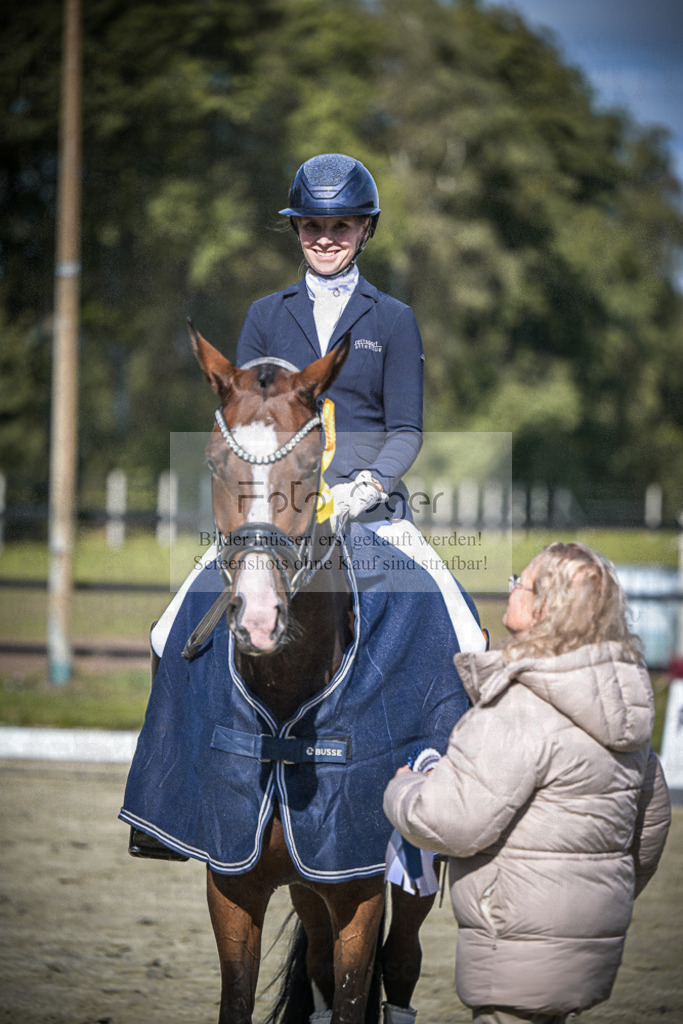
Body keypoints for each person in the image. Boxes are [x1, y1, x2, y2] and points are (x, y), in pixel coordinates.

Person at [151, 153, 487, 657]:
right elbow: (248, 425)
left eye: (341, 226)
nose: (325, 237)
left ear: (366, 229)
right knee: (163, 635)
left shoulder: (394, 319)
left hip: (372, 512)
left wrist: (369, 486)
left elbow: (406, 431)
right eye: (312, 226)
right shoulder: (265, 315)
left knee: (465, 636)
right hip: (277, 510)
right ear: (297, 229)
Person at [383, 541, 672, 1024]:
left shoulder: (521, 706)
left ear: (546, 606)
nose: (511, 586)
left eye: (522, 582)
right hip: (585, 950)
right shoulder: (626, 707)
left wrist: (404, 787)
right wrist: (593, 902)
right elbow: (649, 833)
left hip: (513, 947)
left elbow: (449, 822)